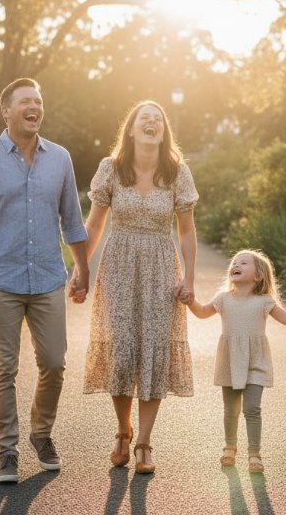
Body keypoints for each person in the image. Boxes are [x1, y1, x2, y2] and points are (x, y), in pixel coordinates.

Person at [0, 78, 89, 484]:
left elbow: (73, 221)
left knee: (54, 363)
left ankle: (41, 434)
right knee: (3, 368)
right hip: (1, 281)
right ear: (6, 111)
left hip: (48, 277)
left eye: (39, 101)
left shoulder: (60, 158)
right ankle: (6, 452)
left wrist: (82, 269)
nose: (34, 107)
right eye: (25, 101)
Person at [81, 100, 198, 474]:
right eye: (143, 118)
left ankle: (144, 441)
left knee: (154, 351)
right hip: (118, 265)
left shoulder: (177, 172)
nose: (151, 122)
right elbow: (95, 224)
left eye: (157, 119)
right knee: (122, 347)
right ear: (130, 130)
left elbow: (187, 230)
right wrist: (80, 268)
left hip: (162, 266)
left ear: (164, 131)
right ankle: (122, 430)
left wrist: (189, 277)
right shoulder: (110, 169)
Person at [179, 249, 286, 474]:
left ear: (258, 275)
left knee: (252, 408)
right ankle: (230, 447)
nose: (236, 265)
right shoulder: (223, 299)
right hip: (229, 361)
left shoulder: (264, 301)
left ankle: (254, 454)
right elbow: (201, 312)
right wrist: (190, 301)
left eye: (243, 263)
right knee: (230, 410)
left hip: (256, 363)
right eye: (234, 262)